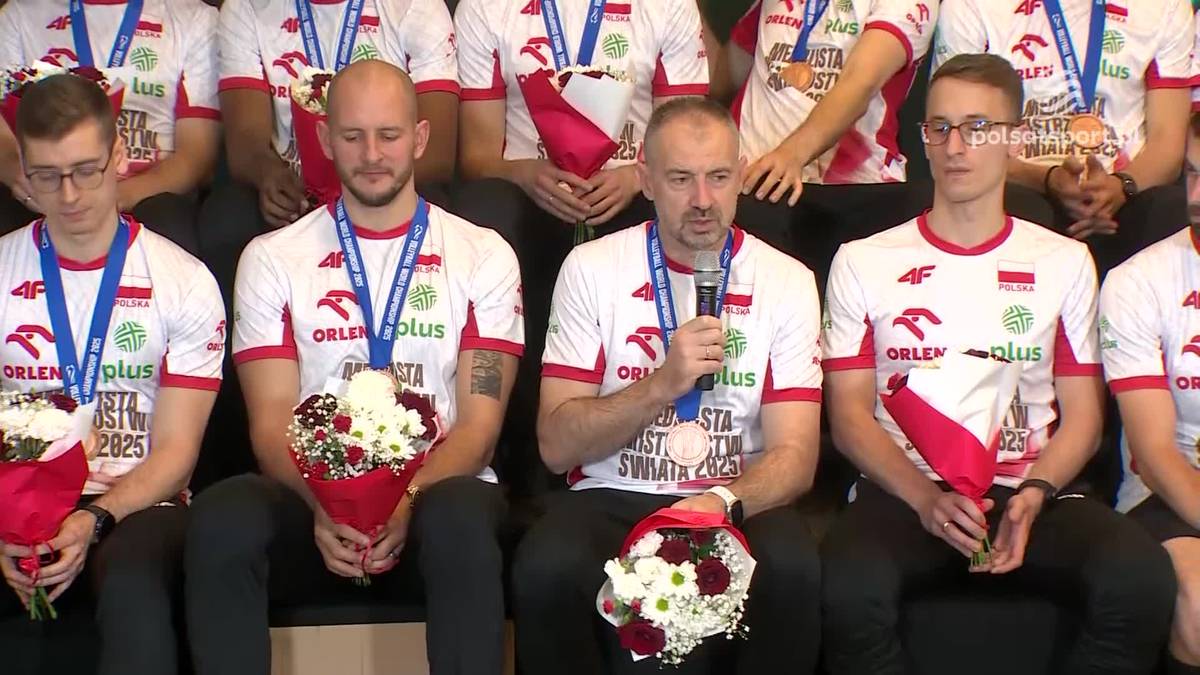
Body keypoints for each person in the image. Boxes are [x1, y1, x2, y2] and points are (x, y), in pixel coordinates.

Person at [820, 53, 1175, 674]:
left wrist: (1036, 491)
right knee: (847, 587)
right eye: (940, 127)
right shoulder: (861, 260)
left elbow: (1084, 418)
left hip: (1028, 489)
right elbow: (849, 416)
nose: (956, 147)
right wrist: (924, 500)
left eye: (978, 128)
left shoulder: (1064, 261)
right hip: (903, 490)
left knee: (1139, 576)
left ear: (1014, 138)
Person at [184, 60, 522, 675]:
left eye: (388, 135)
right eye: (352, 136)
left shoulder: (483, 254)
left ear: (419, 137)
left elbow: (479, 426)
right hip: (314, 501)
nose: (371, 155)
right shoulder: (272, 258)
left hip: (436, 498)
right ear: (323, 138)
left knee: (459, 518)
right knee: (222, 515)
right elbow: (271, 422)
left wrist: (406, 499)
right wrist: (325, 506)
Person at [513, 97, 824, 675]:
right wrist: (663, 383)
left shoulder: (787, 280)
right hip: (612, 494)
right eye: (681, 179)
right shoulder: (591, 268)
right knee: (545, 566)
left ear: (741, 175)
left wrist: (720, 503)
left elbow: (796, 456)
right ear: (646, 180)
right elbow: (556, 447)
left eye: (719, 177)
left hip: (733, 497)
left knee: (794, 566)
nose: (703, 199)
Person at [0, 73, 223, 675]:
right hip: (17, 497)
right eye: (47, 176)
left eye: (86, 170)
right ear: (23, 171)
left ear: (119, 155)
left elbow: (177, 452)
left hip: (138, 501)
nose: (69, 194)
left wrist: (95, 517)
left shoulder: (184, 281)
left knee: (130, 580)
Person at [935, 0, 1196, 274]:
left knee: (1171, 209)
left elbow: (1167, 143)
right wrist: (1046, 179)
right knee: (1008, 205)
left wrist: (1121, 186)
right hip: (1019, 186)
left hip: (1125, 192)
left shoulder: (1165, 6)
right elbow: (960, 136)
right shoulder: (971, 5)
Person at [0, 0, 223, 255]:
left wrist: (111, 197)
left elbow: (195, 155)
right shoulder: (17, 17)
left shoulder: (195, 18)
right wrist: (18, 173)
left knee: (168, 220)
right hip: (47, 187)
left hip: (150, 195)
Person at [1098, 163, 1200, 675]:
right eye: (1193, 173)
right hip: (1168, 493)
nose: (1197, 195)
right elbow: (1154, 455)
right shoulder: (1137, 281)